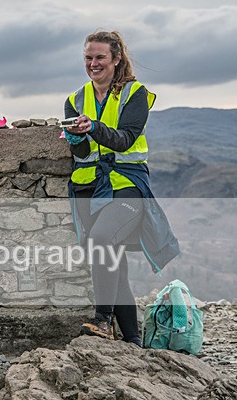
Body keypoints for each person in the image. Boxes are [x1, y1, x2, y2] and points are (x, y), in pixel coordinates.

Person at [63, 30, 179, 346]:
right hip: (88, 189)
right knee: (114, 263)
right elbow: (83, 154)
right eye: (88, 57)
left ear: (116, 59)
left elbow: (125, 139)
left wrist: (93, 128)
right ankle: (132, 341)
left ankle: (102, 320)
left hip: (126, 185)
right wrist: (75, 139)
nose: (93, 63)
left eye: (100, 57)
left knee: (102, 241)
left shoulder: (134, 94)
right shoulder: (75, 100)